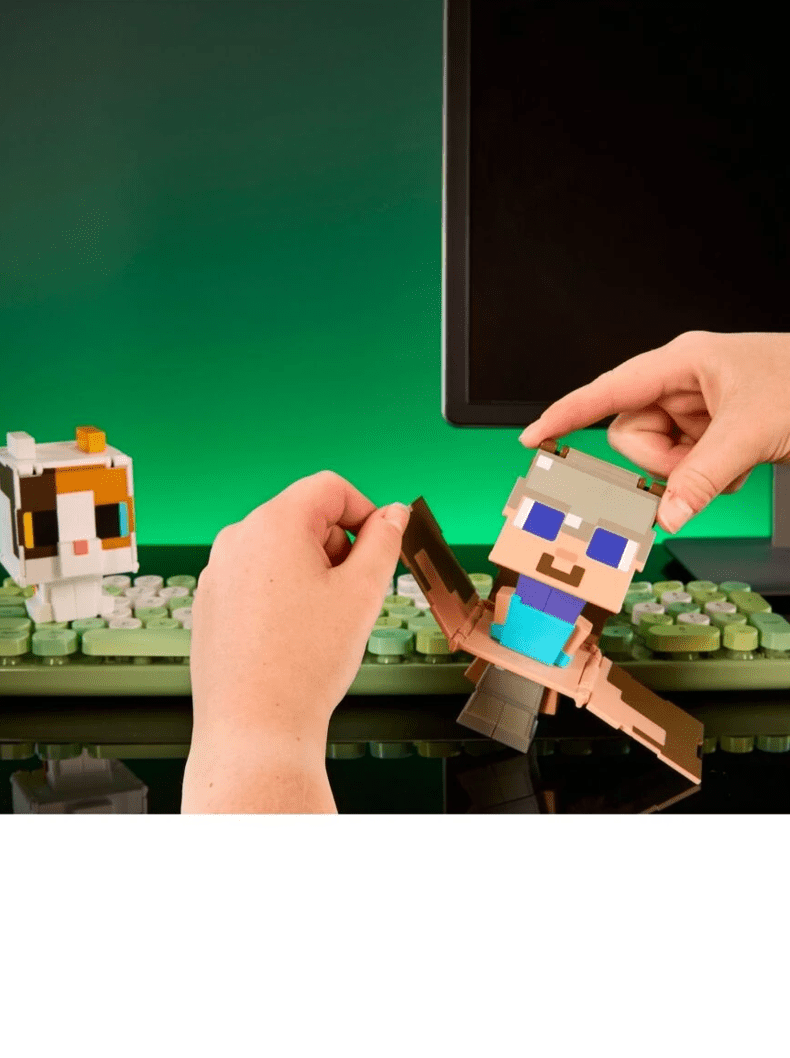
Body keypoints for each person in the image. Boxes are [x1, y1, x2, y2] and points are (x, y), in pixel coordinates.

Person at [181, 330, 790, 812]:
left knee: (508, 726)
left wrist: (256, 735)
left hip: (533, 661)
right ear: (519, 510)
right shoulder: (524, 590)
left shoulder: (568, 598)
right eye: (545, 522)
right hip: (515, 658)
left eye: (606, 547)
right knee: (502, 723)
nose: (566, 549)